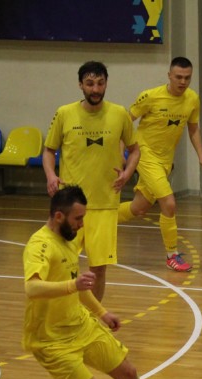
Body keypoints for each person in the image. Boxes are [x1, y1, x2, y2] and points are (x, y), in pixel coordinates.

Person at [24, 185, 178, 379]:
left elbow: (78, 285)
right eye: (78, 219)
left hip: (80, 325)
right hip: (51, 340)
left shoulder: (69, 239)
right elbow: (32, 288)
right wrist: (72, 286)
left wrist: (102, 313)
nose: (82, 225)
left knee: (128, 372)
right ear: (59, 216)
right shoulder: (39, 245)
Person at [42, 61, 140, 301]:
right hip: (70, 205)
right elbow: (49, 151)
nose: (95, 89)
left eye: (100, 83)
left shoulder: (119, 114)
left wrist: (127, 173)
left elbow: (135, 150)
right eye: (89, 84)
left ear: (106, 84)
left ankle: (93, 317)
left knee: (98, 269)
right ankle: (64, 313)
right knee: (61, 265)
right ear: (80, 85)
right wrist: (51, 175)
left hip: (105, 204)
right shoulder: (64, 113)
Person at [118, 56, 202, 272]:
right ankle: (172, 255)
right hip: (144, 155)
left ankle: (95, 221)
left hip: (165, 161)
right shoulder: (150, 96)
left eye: (187, 78)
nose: (183, 82)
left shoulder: (192, 99)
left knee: (138, 207)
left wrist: (201, 157)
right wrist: (120, 152)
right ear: (169, 75)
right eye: (178, 77)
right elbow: (125, 122)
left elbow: (193, 129)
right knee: (169, 203)